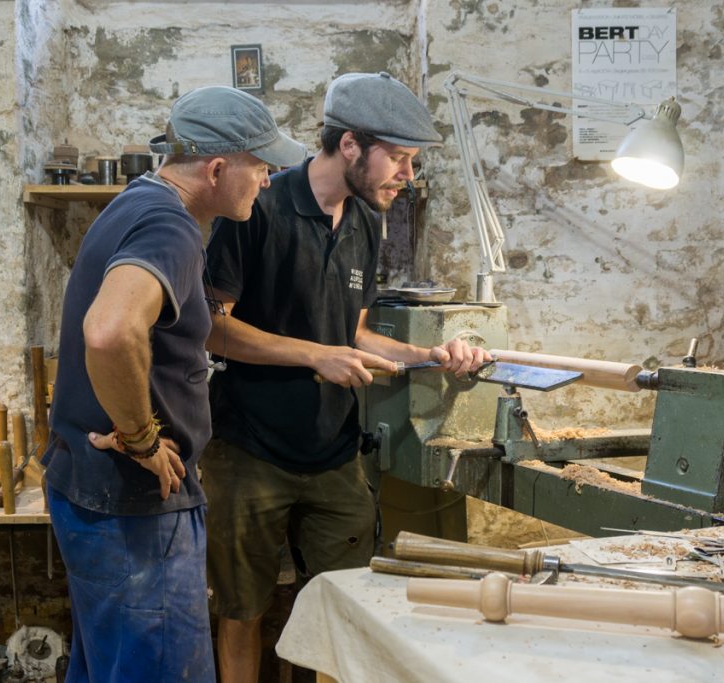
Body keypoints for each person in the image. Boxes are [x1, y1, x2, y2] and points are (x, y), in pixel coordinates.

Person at [201, 71, 493, 682]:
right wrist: (314, 355)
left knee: (339, 606)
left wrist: (429, 355)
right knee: (242, 610)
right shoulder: (257, 206)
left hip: (332, 451)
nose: (407, 176)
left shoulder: (366, 222)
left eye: (413, 162)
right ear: (352, 145)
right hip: (249, 446)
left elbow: (352, 332)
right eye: (400, 158)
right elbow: (212, 328)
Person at [42, 85, 306, 683]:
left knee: (109, 667)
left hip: (93, 491)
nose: (267, 182)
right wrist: (139, 437)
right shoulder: (172, 227)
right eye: (261, 168)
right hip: (135, 503)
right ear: (216, 168)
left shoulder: (137, 201)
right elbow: (109, 332)